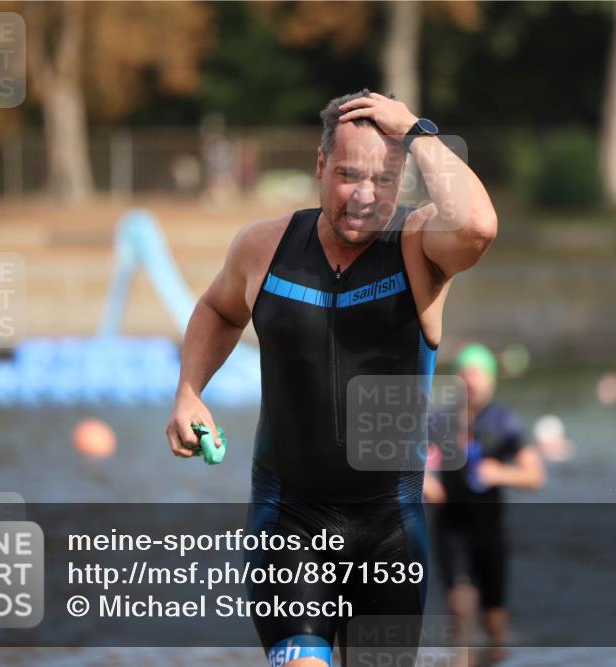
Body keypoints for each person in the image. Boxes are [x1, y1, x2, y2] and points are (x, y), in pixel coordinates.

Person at [165, 90, 497, 667]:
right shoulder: (263, 247)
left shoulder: (419, 250)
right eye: (347, 176)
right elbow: (219, 310)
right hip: (289, 523)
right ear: (319, 167)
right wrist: (189, 391)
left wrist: (416, 131)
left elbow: (477, 225)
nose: (366, 198)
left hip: (390, 531)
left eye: (384, 180)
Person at [424, 343, 544, 666]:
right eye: (467, 373)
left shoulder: (504, 423)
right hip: (451, 526)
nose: (472, 381)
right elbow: (408, 461)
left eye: (478, 374)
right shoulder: (438, 420)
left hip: (490, 530)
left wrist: (500, 471)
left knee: (494, 625)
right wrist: (426, 481)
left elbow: (535, 476)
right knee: (462, 613)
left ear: (491, 380)